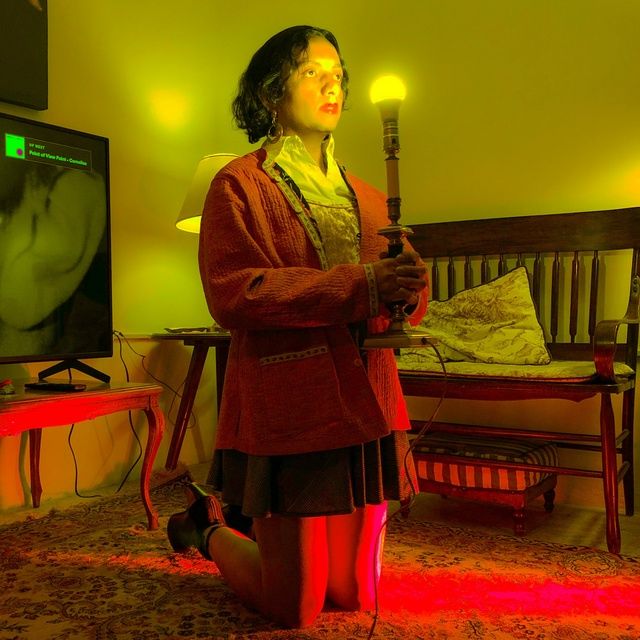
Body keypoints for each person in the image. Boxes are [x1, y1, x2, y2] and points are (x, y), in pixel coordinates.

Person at [167, 25, 428, 629]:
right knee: (295, 608)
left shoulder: (370, 199)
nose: (332, 85)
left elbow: (403, 305)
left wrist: (409, 286)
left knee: (355, 595)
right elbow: (236, 294)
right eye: (313, 72)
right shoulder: (238, 185)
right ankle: (208, 528)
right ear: (270, 93)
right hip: (291, 402)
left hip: (370, 399)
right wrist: (362, 285)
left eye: (338, 74)